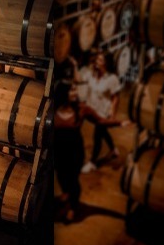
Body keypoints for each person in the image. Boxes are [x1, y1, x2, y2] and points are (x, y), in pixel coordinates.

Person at [54, 77, 126, 221]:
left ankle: (73, 207)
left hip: (75, 152)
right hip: (58, 151)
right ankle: (66, 193)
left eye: (75, 89)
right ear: (63, 93)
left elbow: (100, 120)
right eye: (72, 90)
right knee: (62, 176)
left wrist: (119, 123)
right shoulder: (53, 107)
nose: (75, 92)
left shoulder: (82, 109)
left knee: (73, 179)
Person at [77, 51, 122, 173]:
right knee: (103, 132)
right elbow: (79, 79)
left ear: (106, 63)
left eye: (100, 60)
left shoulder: (112, 79)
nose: (97, 62)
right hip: (92, 110)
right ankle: (113, 149)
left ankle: (92, 162)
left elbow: (116, 97)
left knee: (97, 135)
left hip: (104, 112)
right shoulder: (91, 74)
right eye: (97, 60)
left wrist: (112, 113)